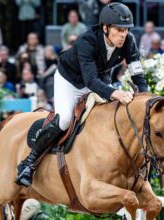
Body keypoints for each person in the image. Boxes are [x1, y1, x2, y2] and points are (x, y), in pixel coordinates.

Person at [14, 3, 148, 187]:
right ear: (105, 28)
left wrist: (146, 98)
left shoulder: (129, 41)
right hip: (70, 80)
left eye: (126, 30)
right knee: (65, 120)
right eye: (118, 30)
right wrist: (115, 92)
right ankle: (29, 163)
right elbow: (90, 81)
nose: (123, 34)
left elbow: (137, 74)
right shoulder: (87, 41)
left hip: (98, 79)